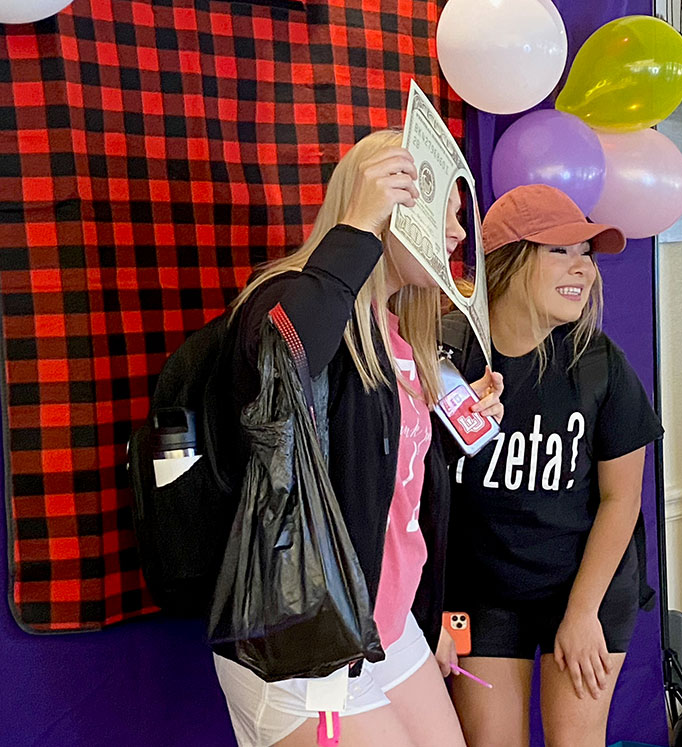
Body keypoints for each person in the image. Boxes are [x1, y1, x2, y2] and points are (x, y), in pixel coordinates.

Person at [210, 129, 502, 747]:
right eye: (439, 211)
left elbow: (392, 495)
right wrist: (358, 228)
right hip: (306, 634)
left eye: (457, 216)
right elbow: (286, 361)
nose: (457, 235)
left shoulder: (406, 339)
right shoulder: (289, 302)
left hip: (387, 627)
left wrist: (461, 422)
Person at [441, 185, 662, 747]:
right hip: (479, 595)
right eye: (560, 250)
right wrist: (437, 618)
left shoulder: (599, 363)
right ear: (509, 260)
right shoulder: (446, 357)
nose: (582, 267)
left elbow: (622, 499)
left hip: (584, 586)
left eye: (586, 252)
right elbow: (413, 500)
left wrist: (583, 613)